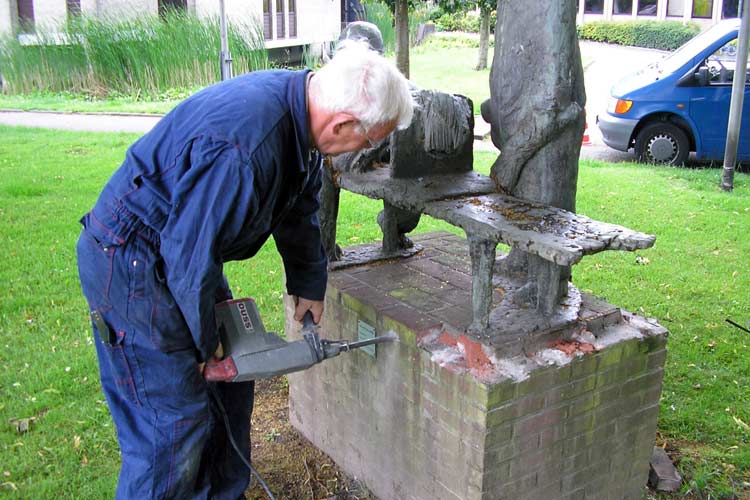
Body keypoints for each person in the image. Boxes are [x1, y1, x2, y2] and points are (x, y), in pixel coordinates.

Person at [76, 43, 413, 499]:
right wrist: (203, 341)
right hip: (135, 259)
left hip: (181, 251)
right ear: (343, 125)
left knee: (230, 389)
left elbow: (298, 208)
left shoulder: (302, 118)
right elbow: (187, 256)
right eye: (372, 141)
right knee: (171, 423)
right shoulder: (245, 149)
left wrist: (309, 283)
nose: (368, 150)